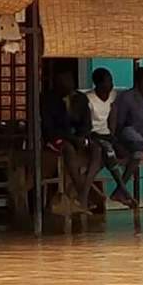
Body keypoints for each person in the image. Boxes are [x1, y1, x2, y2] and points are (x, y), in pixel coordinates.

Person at [41, 70, 102, 211]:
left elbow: (87, 124)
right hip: (58, 138)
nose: (69, 85)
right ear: (57, 84)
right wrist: (72, 138)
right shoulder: (48, 100)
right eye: (64, 82)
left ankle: (84, 194)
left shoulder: (80, 98)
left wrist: (81, 136)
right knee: (68, 149)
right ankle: (84, 193)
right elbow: (49, 128)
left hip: (79, 137)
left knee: (96, 149)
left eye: (70, 81)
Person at [86, 67, 135, 208]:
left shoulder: (113, 95)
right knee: (107, 152)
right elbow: (87, 126)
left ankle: (119, 190)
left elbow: (115, 110)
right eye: (108, 82)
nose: (111, 85)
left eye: (111, 81)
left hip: (108, 135)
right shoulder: (89, 99)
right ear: (98, 84)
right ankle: (124, 192)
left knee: (129, 155)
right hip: (93, 136)